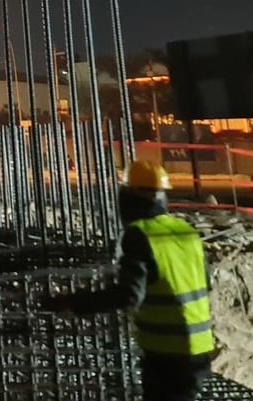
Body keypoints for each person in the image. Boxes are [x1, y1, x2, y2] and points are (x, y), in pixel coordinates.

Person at [40, 161, 214, 401]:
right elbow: (205, 281)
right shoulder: (186, 231)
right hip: (200, 348)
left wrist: (73, 302)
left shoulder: (139, 234)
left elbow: (129, 294)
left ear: (129, 197)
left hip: (166, 355)